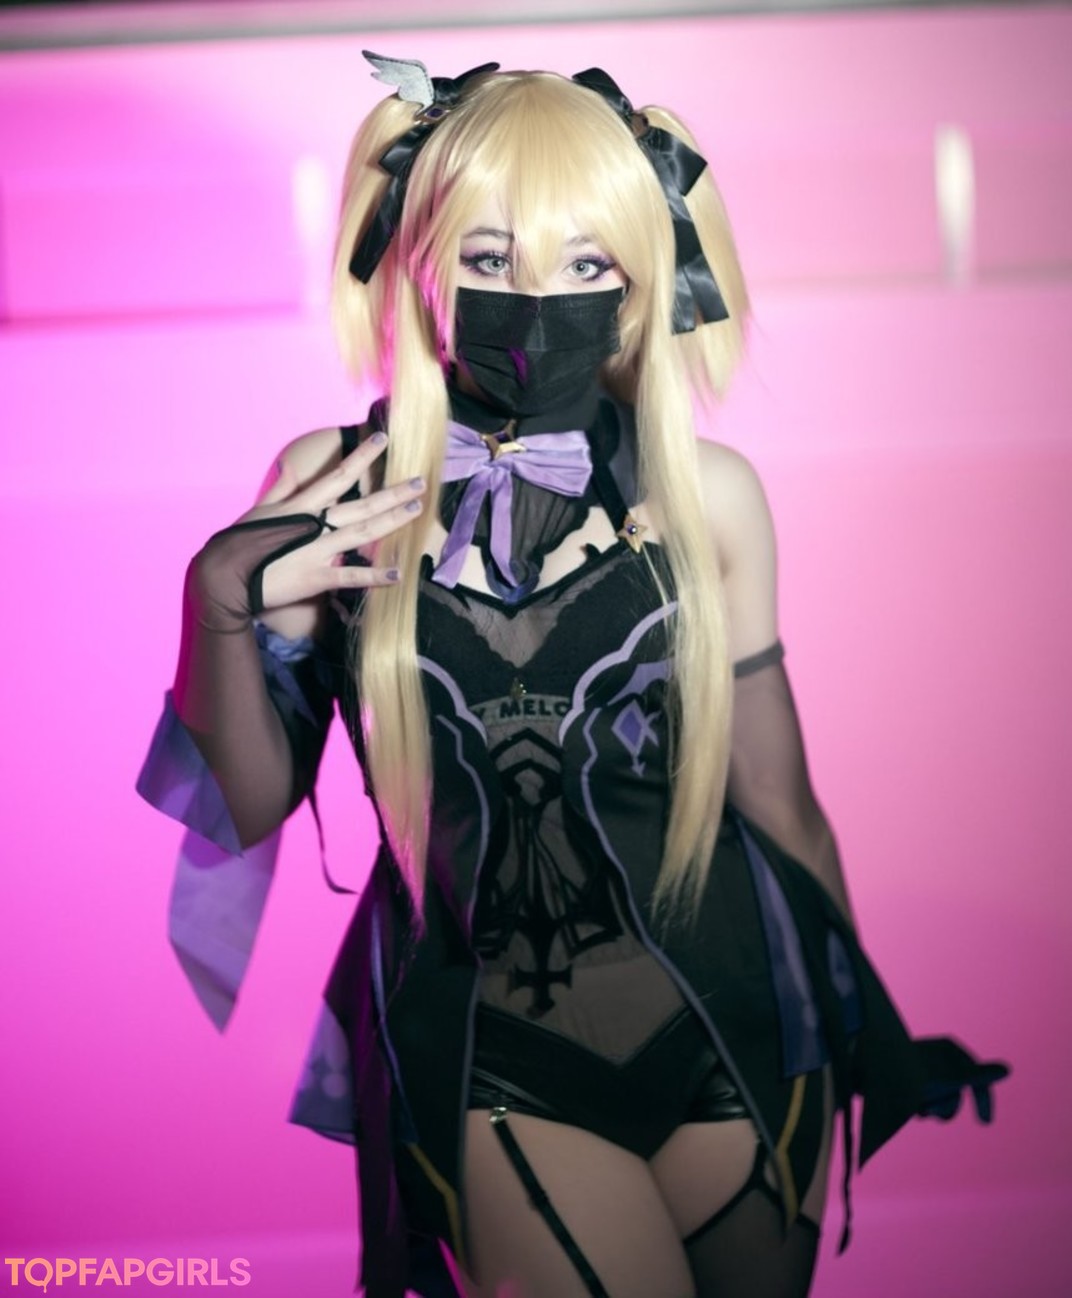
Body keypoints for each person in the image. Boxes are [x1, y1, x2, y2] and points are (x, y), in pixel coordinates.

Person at [138, 55, 1008, 1298]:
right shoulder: (329, 483)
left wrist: (867, 1023)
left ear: (644, 281)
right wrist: (218, 602)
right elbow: (250, 801)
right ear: (418, 258)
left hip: (743, 1027)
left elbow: (780, 802)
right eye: (490, 257)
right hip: (491, 1050)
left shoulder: (709, 495)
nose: (538, 299)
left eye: (588, 262)